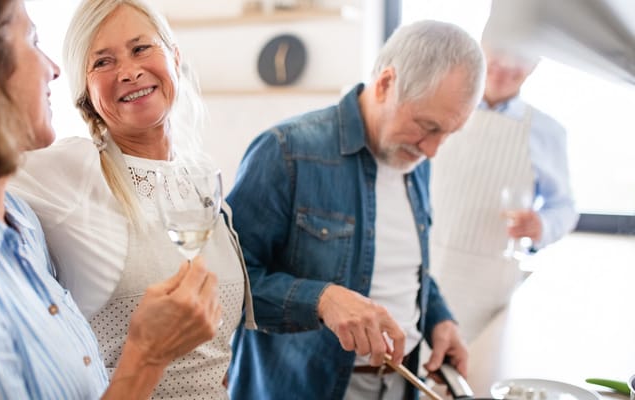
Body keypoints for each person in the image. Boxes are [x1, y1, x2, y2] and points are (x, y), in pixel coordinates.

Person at [0, 0, 256, 398]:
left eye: (141, 48)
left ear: (175, 57)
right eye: (102, 62)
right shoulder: (69, 170)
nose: (129, 70)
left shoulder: (199, 178)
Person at [225, 20, 486, 400]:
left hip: (401, 382)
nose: (433, 150)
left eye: (448, 133)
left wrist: (440, 319)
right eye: (427, 127)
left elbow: (405, 267)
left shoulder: (416, 160)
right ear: (385, 84)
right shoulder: (286, 151)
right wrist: (322, 299)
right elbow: (223, 286)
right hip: (304, 388)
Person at [428, 42, 579, 342]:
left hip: (490, 288)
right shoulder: (439, 107)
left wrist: (542, 225)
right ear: (479, 50)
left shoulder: (547, 131)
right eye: (498, 53)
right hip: (425, 269)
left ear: (536, 64)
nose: (506, 65)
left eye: (520, 57)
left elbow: (564, 207)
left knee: (473, 376)